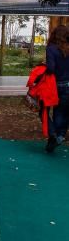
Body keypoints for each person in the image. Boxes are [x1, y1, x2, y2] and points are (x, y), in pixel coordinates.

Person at [45, 24, 69, 152]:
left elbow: (51, 68)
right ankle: (60, 136)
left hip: (57, 85)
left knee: (53, 111)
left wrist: (44, 67)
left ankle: (54, 135)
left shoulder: (51, 49)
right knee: (64, 112)